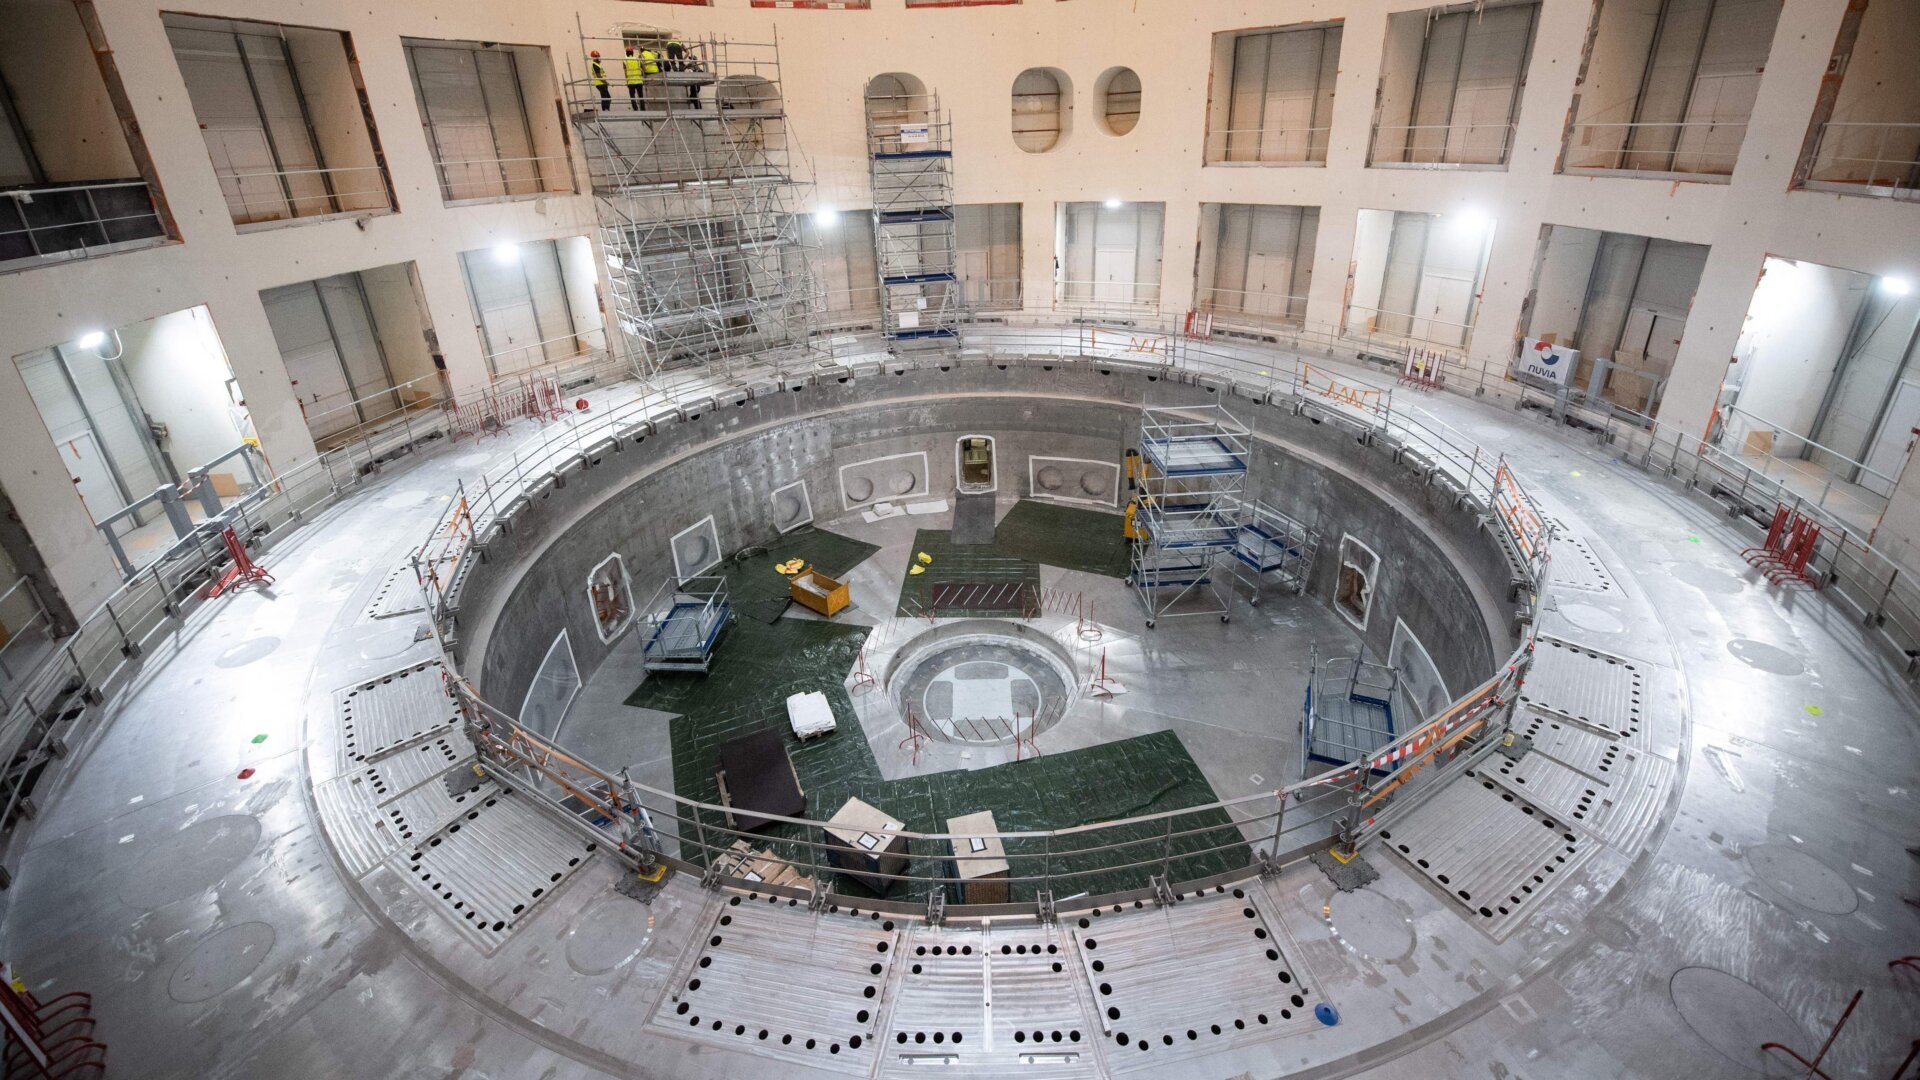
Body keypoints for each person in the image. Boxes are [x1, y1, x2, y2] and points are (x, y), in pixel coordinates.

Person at [667, 39, 701, 106]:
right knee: (681, 62)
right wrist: (682, 60)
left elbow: (668, 54)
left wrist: (672, 60)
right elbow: (687, 52)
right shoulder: (680, 43)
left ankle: (677, 72)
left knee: (673, 62)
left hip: (669, 46)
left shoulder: (669, 43)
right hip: (695, 81)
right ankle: (679, 73)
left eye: (690, 58)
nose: (690, 59)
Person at [623, 46, 643, 111]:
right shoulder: (637, 60)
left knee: (632, 97)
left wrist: (627, 81)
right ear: (632, 53)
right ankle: (643, 109)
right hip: (639, 80)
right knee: (641, 96)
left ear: (626, 53)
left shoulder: (625, 61)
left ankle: (635, 109)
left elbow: (625, 72)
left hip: (631, 82)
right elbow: (641, 68)